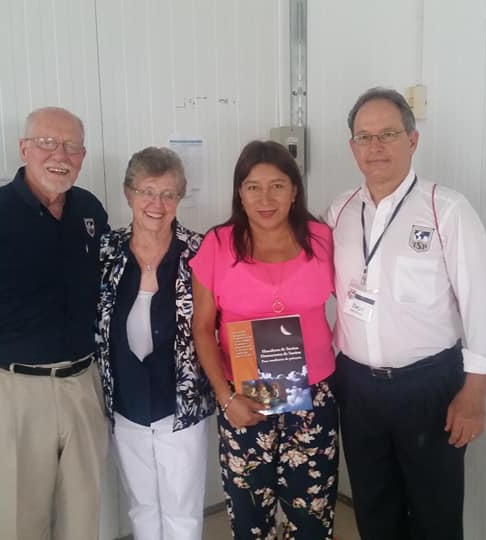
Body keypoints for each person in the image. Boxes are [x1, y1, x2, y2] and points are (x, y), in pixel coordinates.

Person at [325, 87, 486, 539]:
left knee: (435, 517)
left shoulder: (446, 209)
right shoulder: (340, 211)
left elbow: (485, 301)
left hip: (428, 389)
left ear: (412, 140)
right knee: (374, 511)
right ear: (352, 147)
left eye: (387, 134)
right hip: (357, 389)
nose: (375, 147)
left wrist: (475, 393)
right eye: (364, 137)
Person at [0, 106, 110, 540]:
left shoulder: (89, 210)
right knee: (17, 522)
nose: (60, 155)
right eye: (47, 142)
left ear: (83, 155)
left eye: (71, 146)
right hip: (13, 392)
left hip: (83, 385)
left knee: (83, 518)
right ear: (24, 149)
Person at [190, 140, 339, 539]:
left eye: (277, 185)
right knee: (250, 517)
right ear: (239, 193)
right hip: (243, 398)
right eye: (253, 187)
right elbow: (202, 328)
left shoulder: (322, 239)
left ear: (294, 191)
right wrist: (226, 399)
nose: (265, 198)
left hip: (313, 398)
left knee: (311, 516)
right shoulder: (218, 244)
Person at [97, 147, 215, 540]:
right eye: (146, 192)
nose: (156, 204)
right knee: (141, 505)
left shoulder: (199, 251)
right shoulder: (106, 252)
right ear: (128, 194)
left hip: (180, 402)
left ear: (180, 198)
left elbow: (227, 315)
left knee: (183, 509)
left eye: (167, 194)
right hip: (126, 401)